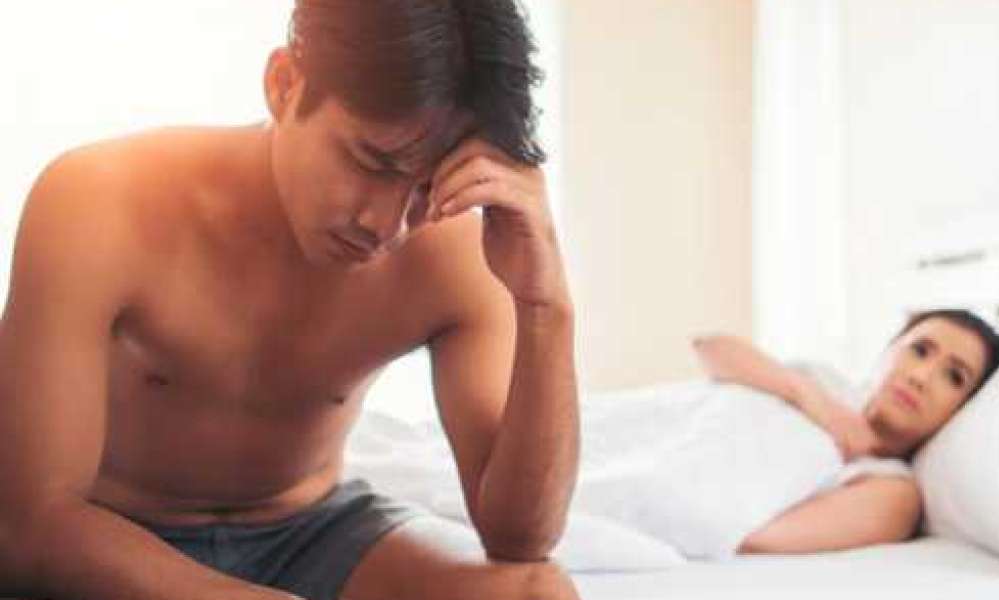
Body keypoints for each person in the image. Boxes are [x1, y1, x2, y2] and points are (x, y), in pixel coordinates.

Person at [0, 2, 580, 600]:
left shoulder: (457, 251)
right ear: (283, 84)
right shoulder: (100, 202)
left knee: (535, 592)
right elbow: (31, 525)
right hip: (111, 533)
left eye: (425, 189)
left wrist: (546, 305)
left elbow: (519, 538)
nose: (386, 226)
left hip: (312, 533)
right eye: (372, 162)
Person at [692, 309, 999, 555]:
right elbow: (709, 347)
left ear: (963, 409)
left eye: (954, 377)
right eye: (919, 351)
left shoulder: (892, 489)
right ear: (889, 350)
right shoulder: (821, 380)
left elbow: (751, 538)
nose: (920, 377)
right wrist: (813, 400)